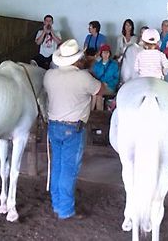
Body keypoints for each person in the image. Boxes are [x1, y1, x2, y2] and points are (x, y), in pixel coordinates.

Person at [43, 39, 102, 220]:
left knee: (57, 166)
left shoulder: (49, 75)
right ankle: (66, 210)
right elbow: (100, 90)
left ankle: (56, 204)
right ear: (78, 59)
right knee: (68, 169)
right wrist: (90, 71)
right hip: (73, 128)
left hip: (53, 125)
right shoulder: (83, 77)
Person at [91, 44, 119, 110]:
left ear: (109, 54)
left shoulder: (114, 65)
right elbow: (94, 77)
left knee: (98, 94)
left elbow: (116, 79)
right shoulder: (97, 65)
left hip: (110, 87)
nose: (105, 54)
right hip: (99, 86)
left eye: (107, 52)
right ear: (101, 54)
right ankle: (91, 113)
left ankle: (99, 114)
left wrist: (107, 83)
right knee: (94, 94)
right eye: (104, 52)